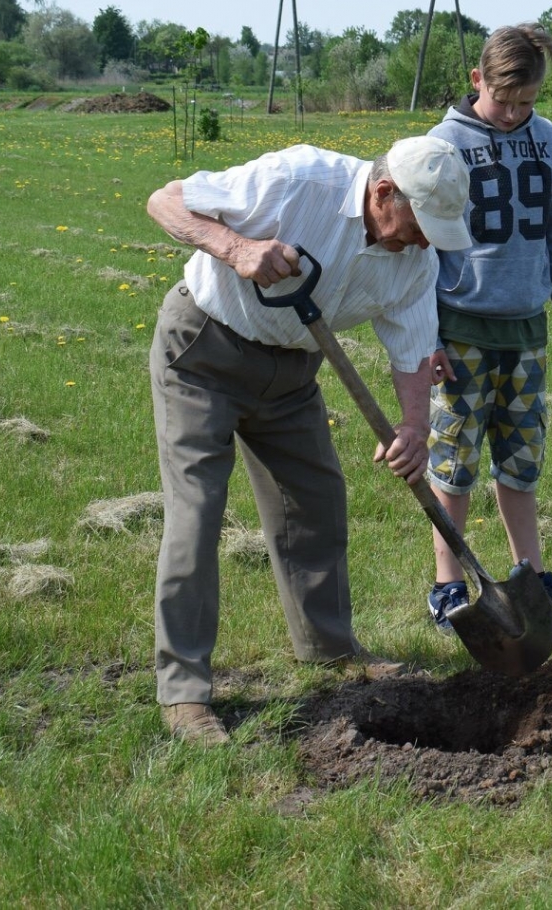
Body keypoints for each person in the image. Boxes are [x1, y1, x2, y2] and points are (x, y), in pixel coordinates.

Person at [146, 135, 472, 745]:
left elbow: (410, 349)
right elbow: (165, 201)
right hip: (203, 353)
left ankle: (329, 651)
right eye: (421, 224)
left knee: (316, 504)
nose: (425, 240)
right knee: (197, 514)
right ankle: (185, 692)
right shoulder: (300, 181)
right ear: (382, 194)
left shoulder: (414, 260)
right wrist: (236, 247)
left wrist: (413, 429)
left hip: (292, 373)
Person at [421, 23, 552, 631]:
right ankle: (449, 586)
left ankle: (531, 579)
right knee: (454, 462)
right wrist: (428, 337)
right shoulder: (442, 145)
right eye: (504, 99)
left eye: (528, 102)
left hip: (527, 332)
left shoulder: (548, 140)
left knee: (522, 461)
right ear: (476, 81)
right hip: (460, 330)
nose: (515, 114)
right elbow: (419, 255)